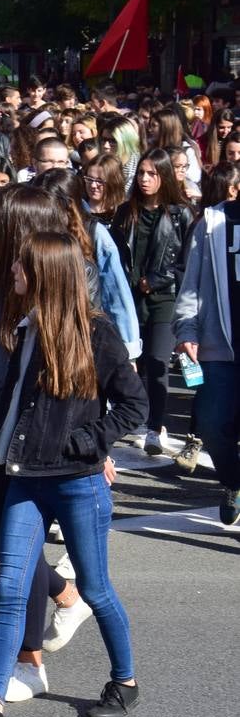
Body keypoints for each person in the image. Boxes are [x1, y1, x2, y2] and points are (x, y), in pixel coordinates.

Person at [0, 232, 147, 717]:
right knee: (10, 587)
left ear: (47, 273)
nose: (12, 273)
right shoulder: (24, 328)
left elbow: (135, 405)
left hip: (78, 481)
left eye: (22, 267)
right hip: (24, 479)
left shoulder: (97, 332)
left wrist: (88, 441)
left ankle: (125, 681)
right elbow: (12, 404)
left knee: (95, 590)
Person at [109, 148, 192, 454]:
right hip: (129, 299)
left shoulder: (181, 213)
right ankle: (133, 419)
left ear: (165, 176)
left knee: (158, 362)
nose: (144, 179)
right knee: (135, 364)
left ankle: (155, 427)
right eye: (141, 172)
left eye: (152, 173)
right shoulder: (125, 211)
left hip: (165, 298)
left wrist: (156, 279)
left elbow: (186, 261)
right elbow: (114, 258)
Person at [174, 185, 240, 526]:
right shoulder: (214, 221)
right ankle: (232, 481)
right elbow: (192, 283)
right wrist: (186, 329)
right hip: (219, 346)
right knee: (212, 424)